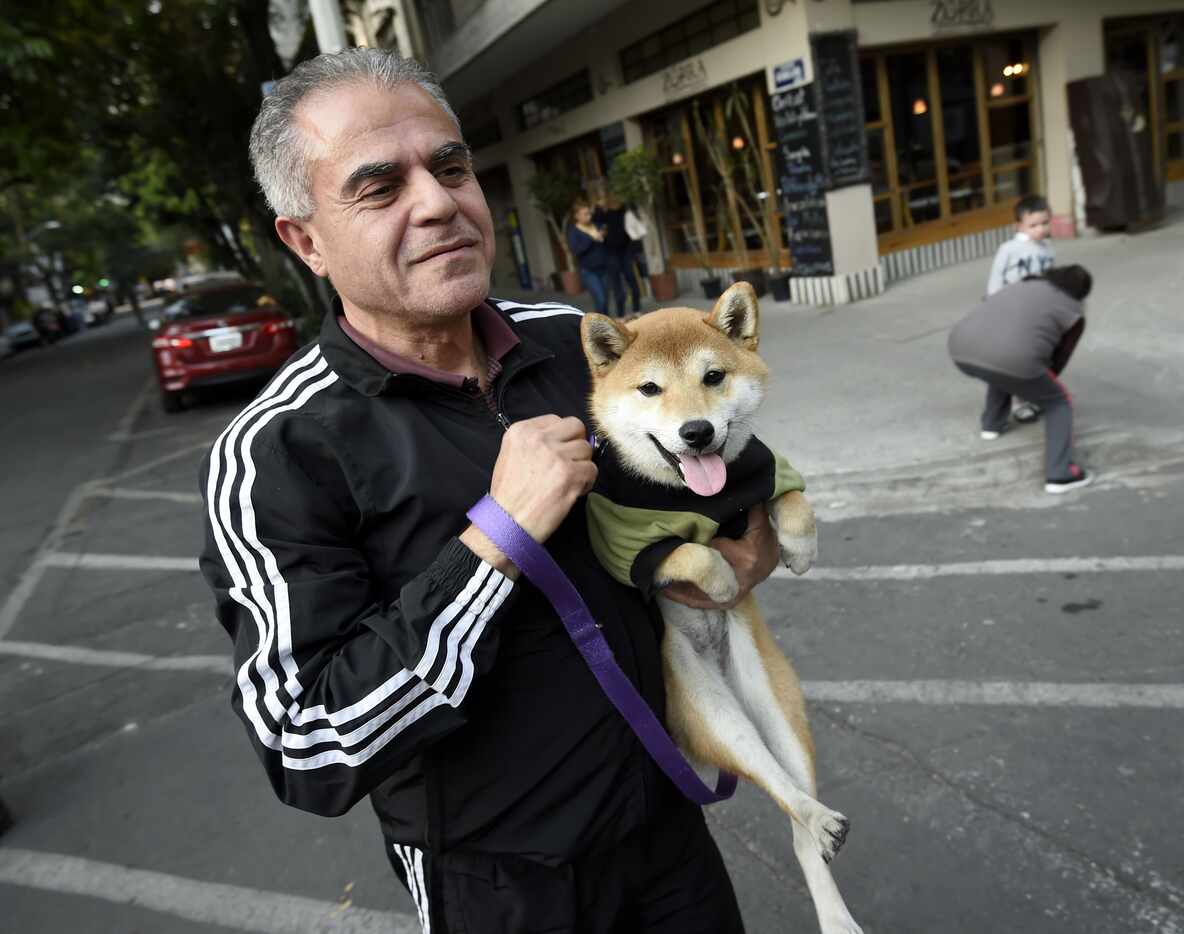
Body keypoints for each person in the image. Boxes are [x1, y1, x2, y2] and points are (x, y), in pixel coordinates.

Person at [203, 48, 778, 933]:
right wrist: (497, 540)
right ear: (306, 239)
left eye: (449, 166)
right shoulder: (279, 450)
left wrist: (745, 539)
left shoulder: (579, 342)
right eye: (377, 187)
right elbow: (307, 744)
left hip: (666, 825)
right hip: (501, 886)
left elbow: (727, 460)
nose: (436, 202)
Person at [948, 264, 1093, 494]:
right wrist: (1037, 393)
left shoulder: (1023, 284)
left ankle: (992, 424)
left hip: (959, 347)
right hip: (1012, 358)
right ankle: (1060, 474)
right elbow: (1059, 360)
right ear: (1082, 294)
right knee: (1059, 401)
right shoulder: (1074, 311)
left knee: (1003, 363)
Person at [987, 194, 1057, 425]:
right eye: (1033, 225)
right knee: (1019, 358)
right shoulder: (1009, 249)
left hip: (1039, 311)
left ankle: (1034, 395)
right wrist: (995, 305)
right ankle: (1019, 403)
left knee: (1038, 356)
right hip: (1013, 311)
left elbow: (1052, 278)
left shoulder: (1048, 248)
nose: (1040, 229)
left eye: (1044, 223)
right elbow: (996, 278)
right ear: (1019, 226)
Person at [567, 199, 615, 316]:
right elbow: (576, 250)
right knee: (600, 300)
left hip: (603, 268)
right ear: (577, 216)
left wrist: (604, 235)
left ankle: (605, 327)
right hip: (588, 272)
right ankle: (600, 328)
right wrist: (592, 239)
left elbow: (606, 243)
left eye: (589, 213)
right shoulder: (574, 231)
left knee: (606, 302)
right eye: (585, 214)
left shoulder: (596, 225)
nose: (589, 216)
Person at [597, 196, 640, 315]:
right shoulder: (603, 214)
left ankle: (637, 310)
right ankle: (621, 314)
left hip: (625, 252)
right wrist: (599, 207)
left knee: (632, 281)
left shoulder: (625, 211)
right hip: (611, 254)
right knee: (617, 287)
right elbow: (597, 221)